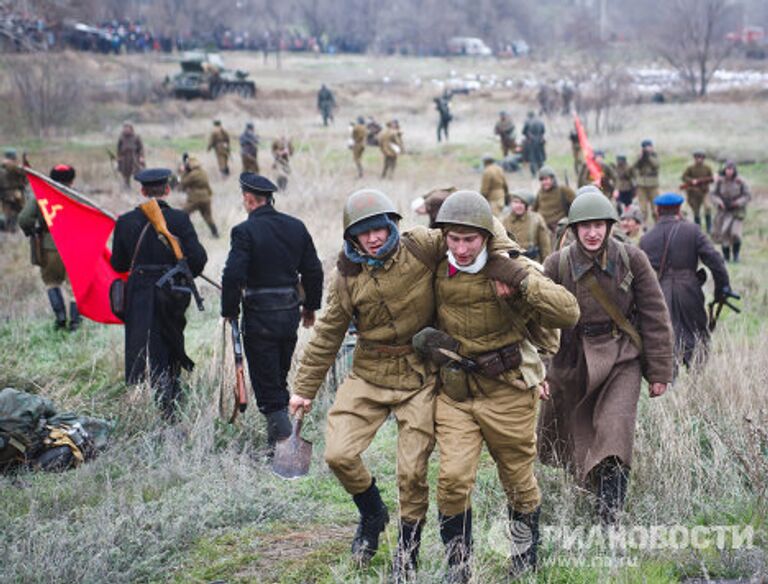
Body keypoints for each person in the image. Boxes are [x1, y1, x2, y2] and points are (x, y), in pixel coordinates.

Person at [289, 189, 517, 578]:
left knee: (411, 471)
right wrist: (303, 389)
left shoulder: (422, 245)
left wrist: (506, 258)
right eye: (364, 233)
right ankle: (372, 512)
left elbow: (476, 222)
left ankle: (408, 551)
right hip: (369, 372)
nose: (374, 238)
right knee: (338, 454)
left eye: (379, 229)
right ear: (352, 238)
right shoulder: (347, 276)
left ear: (392, 225)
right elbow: (328, 333)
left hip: (420, 374)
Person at [427, 191, 579, 581]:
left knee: (517, 479)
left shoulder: (512, 267)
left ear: (486, 236)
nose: (460, 249)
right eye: (453, 239)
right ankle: (458, 566)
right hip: (458, 392)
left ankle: (524, 559)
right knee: (452, 480)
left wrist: (519, 279)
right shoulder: (435, 267)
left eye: (470, 239)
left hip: (509, 390)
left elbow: (567, 312)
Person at [538, 188, 674, 526]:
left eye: (599, 225)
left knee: (616, 429)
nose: (592, 232)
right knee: (577, 433)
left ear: (610, 226)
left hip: (620, 358)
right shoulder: (557, 264)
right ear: (573, 230)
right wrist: (540, 371)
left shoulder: (632, 259)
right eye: (584, 226)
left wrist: (659, 371)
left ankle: (609, 515)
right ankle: (590, 489)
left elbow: (655, 316)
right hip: (572, 360)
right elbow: (537, 321)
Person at [221, 173, 323, 450]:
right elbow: (313, 270)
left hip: (259, 318)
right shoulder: (296, 227)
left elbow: (232, 275)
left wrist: (229, 310)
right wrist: (310, 307)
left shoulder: (244, 232)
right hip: (289, 315)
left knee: (268, 387)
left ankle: (285, 448)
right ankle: (275, 443)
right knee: (277, 377)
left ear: (249, 200)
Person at [110, 168, 207, 419]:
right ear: (167, 189)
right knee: (170, 342)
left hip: (140, 292)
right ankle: (170, 398)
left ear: (142, 191)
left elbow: (119, 264)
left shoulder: (125, 221)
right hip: (172, 293)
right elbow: (197, 260)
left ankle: (152, 402)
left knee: (143, 346)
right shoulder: (180, 220)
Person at [640, 193, 731, 368]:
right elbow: (715, 261)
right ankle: (697, 377)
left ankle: (669, 379)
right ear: (679, 209)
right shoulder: (693, 231)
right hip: (690, 290)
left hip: (660, 292)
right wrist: (722, 289)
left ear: (658, 211)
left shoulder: (646, 239)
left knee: (665, 336)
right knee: (697, 334)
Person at [18, 164, 80, 331]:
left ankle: (60, 318)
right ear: (72, 180)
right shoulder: (77, 196)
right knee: (74, 287)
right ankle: (75, 323)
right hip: (73, 246)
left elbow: (23, 219)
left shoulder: (40, 196)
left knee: (51, 283)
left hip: (48, 246)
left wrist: (33, 230)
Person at [711, 161, 751, 263]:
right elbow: (713, 194)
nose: (729, 171)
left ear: (734, 170)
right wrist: (719, 202)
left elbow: (747, 196)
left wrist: (738, 202)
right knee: (724, 234)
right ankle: (726, 257)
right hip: (723, 212)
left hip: (737, 212)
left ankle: (736, 255)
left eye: (731, 169)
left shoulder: (740, 181)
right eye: (727, 169)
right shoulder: (720, 181)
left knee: (735, 233)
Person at [502, 190, 552, 263]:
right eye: (516, 202)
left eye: (522, 203)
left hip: (532, 262)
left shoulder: (536, 219)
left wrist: (546, 265)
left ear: (527, 205)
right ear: (511, 204)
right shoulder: (504, 221)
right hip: (511, 264)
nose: (519, 205)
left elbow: (545, 247)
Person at [179, 154, 218, 238]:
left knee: (182, 215)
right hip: (206, 197)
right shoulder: (203, 172)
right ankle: (215, 233)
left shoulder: (193, 174)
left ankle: (182, 233)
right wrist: (209, 194)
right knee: (208, 217)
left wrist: (183, 172)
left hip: (195, 198)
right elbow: (207, 185)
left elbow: (183, 183)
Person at [533, 166, 576, 234]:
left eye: (546, 179)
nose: (544, 182)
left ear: (553, 179)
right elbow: (534, 209)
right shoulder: (540, 192)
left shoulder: (563, 190)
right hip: (543, 227)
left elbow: (576, 204)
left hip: (559, 227)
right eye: (542, 180)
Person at [681, 150, 714, 233]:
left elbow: (711, 179)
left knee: (708, 207)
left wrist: (706, 181)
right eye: (697, 157)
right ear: (695, 158)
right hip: (693, 193)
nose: (699, 159)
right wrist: (692, 181)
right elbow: (684, 177)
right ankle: (697, 228)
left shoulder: (707, 168)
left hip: (704, 192)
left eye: (701, 158)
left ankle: (709, 227)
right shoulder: (690, 168)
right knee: (696, 211)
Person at [631, 139, 660, 223]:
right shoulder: (640, 156)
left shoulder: (654, 156)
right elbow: (633, 167)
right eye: (645, 147)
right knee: (642, 209)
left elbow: (656, 165)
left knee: (656, 208)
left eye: (648, 147)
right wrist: (640, 158)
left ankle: (658, 224)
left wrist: (648, 156)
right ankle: (643, 227)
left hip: (653, 185)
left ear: (652, 147)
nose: (647, 149)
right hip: (641, 185)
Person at [0, 148, 28, 233]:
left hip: (5, 194)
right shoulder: (14, 166)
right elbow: (24, 175)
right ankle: (11, 229)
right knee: (17, 212)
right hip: (16, 193)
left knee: (8, 213)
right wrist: (25, 162)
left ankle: (9, 229)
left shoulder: (2, 166)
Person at [116, 122, 145, 189]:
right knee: (125, 172)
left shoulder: (136, 137)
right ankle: (127, 185)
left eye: (127, 128)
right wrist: (118, 157)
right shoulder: (121, 137)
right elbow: (119, 148)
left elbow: (141, 148)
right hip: (124, 157)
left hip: (134, 156)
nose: (126, 129)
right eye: (125, 128)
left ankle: (143, 186)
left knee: (138, 171)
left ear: (131, 129)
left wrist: (141, 156)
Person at [521, 111, 546, 177]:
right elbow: (543, 131)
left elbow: (523, 132)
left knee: (532, 158)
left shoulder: (527, 122)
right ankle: (543, 173)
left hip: (531, 142)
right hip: (540, 142)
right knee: (540, 158)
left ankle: (534, 174)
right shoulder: (540, 121)